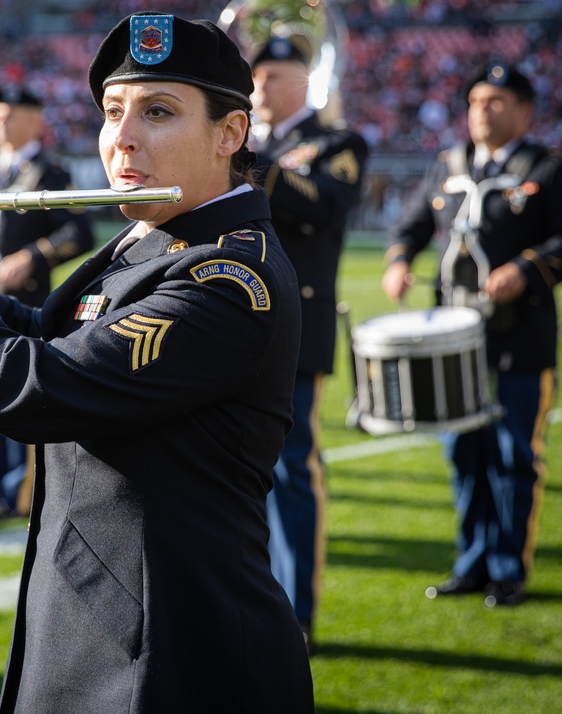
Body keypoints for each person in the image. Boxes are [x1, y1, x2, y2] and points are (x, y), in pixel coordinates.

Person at [0, 13, 313, 711]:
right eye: (112, 111)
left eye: (158, 112)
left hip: (171, 651)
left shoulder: (226, 279)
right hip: (98, 622)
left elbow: (38, 391)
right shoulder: (149, 238)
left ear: (230, 134)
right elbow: (44, 335)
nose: (122, 137)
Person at [383, 63, 562, 608]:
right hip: (455, 342)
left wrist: (527, 268)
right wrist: (398, 260)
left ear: (525, 112)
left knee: (512, 457)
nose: (483, 109)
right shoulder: (449, 165)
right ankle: (472, 563)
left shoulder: (547, 170)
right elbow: (411, 224)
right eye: (477, 100)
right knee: (465, 452)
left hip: (518, 338)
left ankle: (509, 570)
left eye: (498, 100)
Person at [249, 36, 369, 651]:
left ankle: (296, 611)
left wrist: (254, 164)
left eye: (272, 75)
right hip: (235, 317)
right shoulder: (252, 143)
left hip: (297, 322)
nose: (259, 86)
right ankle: (251, 600)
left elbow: (322, 207)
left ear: (304, 82)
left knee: (292, 467)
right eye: (256, 75)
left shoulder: (337, 142)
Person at [0, 85, 96, 522]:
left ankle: (18, 494)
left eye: (11, 114)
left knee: (18, 397)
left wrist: (33, 255)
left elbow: (79, 234)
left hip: (26, 304)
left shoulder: (50, 173)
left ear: (35, 121)